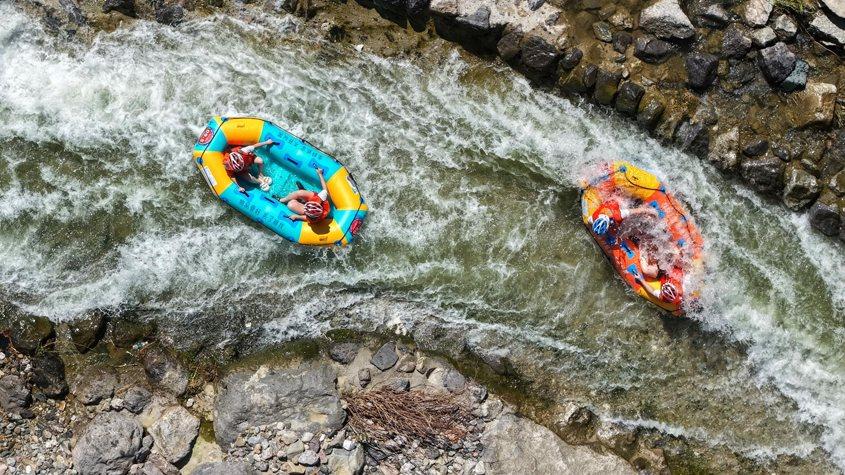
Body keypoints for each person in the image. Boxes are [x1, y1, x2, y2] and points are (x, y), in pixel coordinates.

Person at [588, 199, 658, 238]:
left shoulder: (618, 215)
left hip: (620, 202)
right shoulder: (592, 218)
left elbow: (638, 210)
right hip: (612, 200)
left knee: (627, 230)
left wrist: (652, 212)